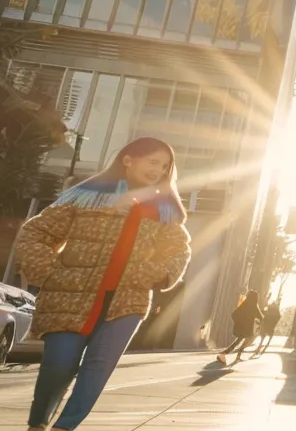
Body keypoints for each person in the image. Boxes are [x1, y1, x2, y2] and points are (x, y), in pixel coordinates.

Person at [14, 137, 192, 431]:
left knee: (98, 368)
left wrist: (155, 274)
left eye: (164, 166)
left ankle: (65, 427)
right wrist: (50, 272)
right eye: (153, 162)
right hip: (69, 295)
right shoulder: (87, 196)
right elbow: (36, 232)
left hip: (127, 300)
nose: (158, 171)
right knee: (58, 364)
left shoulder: (163, 208)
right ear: (128, 159)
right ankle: (38, 423)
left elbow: (178, 249)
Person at [218, 292, 264, 365]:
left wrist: (238, 322)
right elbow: (261, 317)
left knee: (238, 341)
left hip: (241, 327)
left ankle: (229, 354)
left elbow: (234, 314)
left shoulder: (244, 304)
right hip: (248, 328)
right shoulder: (254, 306)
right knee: (246, 341)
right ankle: (228, 354)